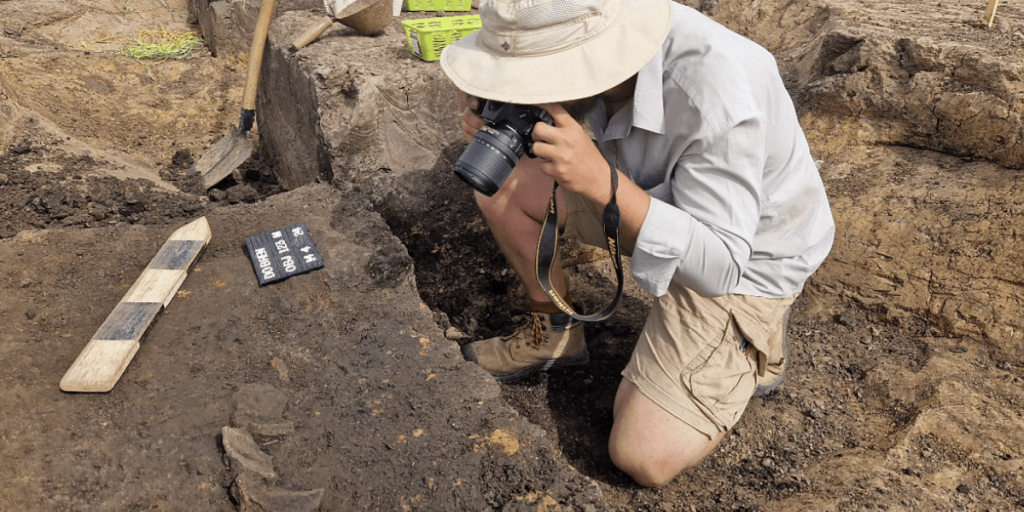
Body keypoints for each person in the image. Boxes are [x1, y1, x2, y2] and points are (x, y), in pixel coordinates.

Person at [439, 0, 835, 487]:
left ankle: (755, 340)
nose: (531, 91)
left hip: (747, 255)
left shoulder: (715, 93)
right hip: (650, 196)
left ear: (590, 56)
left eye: (538, 75)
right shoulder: (593, 20)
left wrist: (603, 183)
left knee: (643, 454)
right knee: (501, 179)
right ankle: (556, 331)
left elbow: (721, 266)